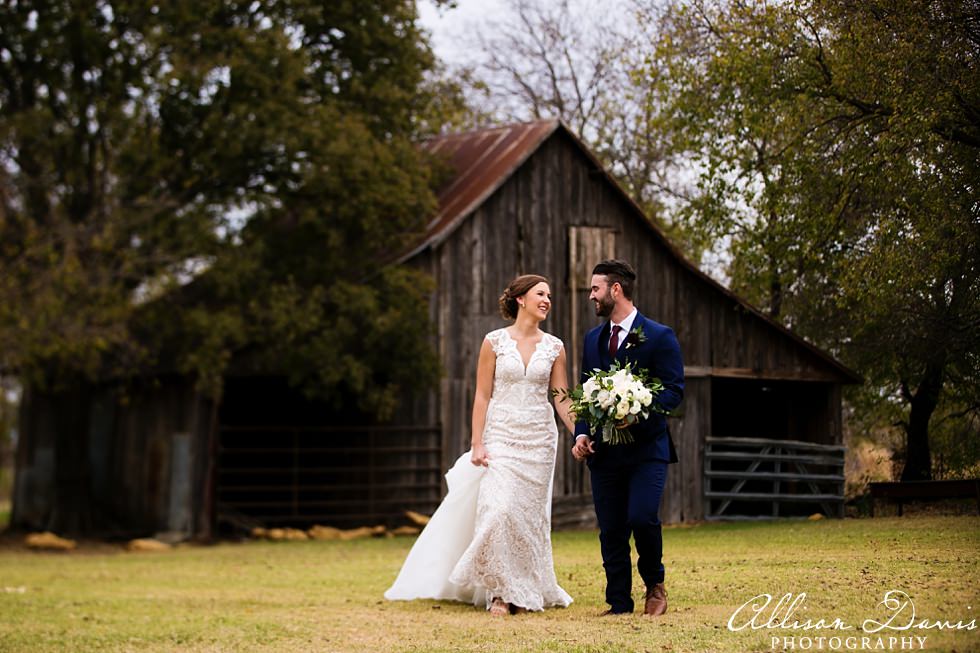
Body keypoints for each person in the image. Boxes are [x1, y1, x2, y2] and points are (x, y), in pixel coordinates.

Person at [385, 274, 575, 616]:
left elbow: (561, 397)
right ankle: (499, 592)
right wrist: (477, 442)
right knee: (498, 510)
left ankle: (524, 587)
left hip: (539, 440)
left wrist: (580, 430)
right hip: (500, 435)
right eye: (540, 294)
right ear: (520, 299)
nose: (547, 300)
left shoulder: (555, 346)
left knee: (528, 519)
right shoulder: (494, 342)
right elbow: (482, 395)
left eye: (549, 295)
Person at [571, 259, 684, 617]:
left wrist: (636, 411)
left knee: (641, 516)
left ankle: (655, 585)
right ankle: (618, 601)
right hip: (604, 453)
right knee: (611, 528)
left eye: (595, 289)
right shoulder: (594, 339)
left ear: (615, 290)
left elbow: (673, 391)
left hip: (647, 448)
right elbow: (586, 394)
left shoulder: (658, 335)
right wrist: (582, 433)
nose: (591, 296)